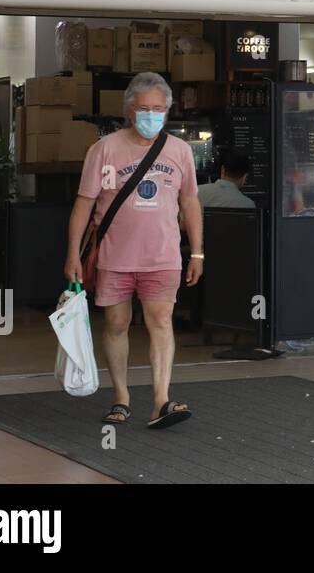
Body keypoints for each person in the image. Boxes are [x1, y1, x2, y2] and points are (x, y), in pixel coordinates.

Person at [65, 71, 203, 429]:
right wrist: (71, 255)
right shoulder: (104, 149)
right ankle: (121, 397)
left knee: (160, 321)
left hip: (163, 256)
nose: (151, 115)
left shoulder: (180, 151)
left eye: (158, 108)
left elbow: (190, 203)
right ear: (130, 110)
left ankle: (161, 400)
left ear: (167, 111)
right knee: (116, 323)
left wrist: (198, 253)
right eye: (144, 108)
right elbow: (83, 205)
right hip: (114, 256)